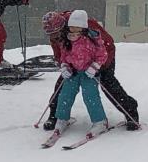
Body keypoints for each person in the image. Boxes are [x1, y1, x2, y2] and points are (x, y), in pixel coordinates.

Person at [39, 10, 140, 130]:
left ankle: (130, 112)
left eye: (55, 33)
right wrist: (63, 66)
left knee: (107, 83)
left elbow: (107, 44)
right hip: (75, 62)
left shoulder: (82, 24)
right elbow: (58, 53)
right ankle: (54, 115)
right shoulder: (55, 34)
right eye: (50, 34)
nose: (53, 37)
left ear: (63, 26)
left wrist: (99, 66)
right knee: (63, 85)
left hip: (102, 57)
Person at [46, 11, 112, 141]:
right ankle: (62, 119)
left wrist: (94, 67)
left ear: (83, 27)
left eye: (77, 26)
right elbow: (63, 56)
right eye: (71, 26)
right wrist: (64, 67)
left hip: (88, 73)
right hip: (73, 73)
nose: (73, 29)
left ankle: (100, 121)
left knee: (90, 96)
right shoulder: (66, 39)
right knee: (65, 95)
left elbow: (102, 55)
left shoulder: (92, 39)